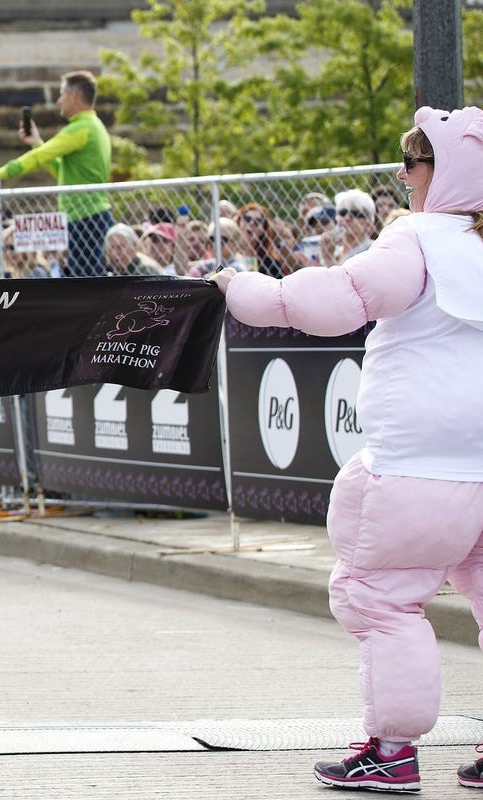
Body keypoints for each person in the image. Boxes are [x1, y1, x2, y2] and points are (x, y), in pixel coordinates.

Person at [214, 106, 483, 794]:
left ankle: (391, 751)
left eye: (412, 163)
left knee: (381, 602)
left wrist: (241, 289)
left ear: (443, 173)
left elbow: (334, 300)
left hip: (417, 466)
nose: (403, 177)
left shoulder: (417, 241)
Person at [0, 70, 112, 276]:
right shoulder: (95, 126)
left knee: (87, 284)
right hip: (90, 217)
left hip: (86, 219)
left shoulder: (81, 128)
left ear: (74, 96)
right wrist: (37, 143)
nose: (59, 101)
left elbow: (38, 158)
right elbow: (61, 171)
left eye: (62, 95)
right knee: (87, 280)